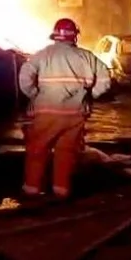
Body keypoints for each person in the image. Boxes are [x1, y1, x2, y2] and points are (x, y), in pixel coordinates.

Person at [18, 18, 112, 200]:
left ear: (55, 36)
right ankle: (61, 191)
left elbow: (25, 76)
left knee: (38, 149)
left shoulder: (43, 55)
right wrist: (91, 95)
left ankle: (32, 190)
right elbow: (105, 80)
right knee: (66, 152)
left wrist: (34, 94)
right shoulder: (87, 56)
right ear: (75, 36)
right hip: (75, 113)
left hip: (47, 111)